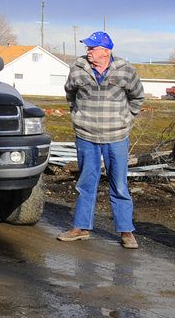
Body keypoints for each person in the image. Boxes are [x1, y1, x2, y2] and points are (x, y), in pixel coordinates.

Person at [57, 30, 145, 249]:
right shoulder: (77, 69)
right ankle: (81, 228)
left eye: (92, 48)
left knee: (119, 184)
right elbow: (70, 94)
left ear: (106, 51)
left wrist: (125, 118)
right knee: (86, 183)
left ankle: (126, 232)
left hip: (116, 136)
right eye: (87, 48)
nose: (88, 52)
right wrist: (79, 116)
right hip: (86, 136)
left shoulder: (125, 69)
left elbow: (137, 96)